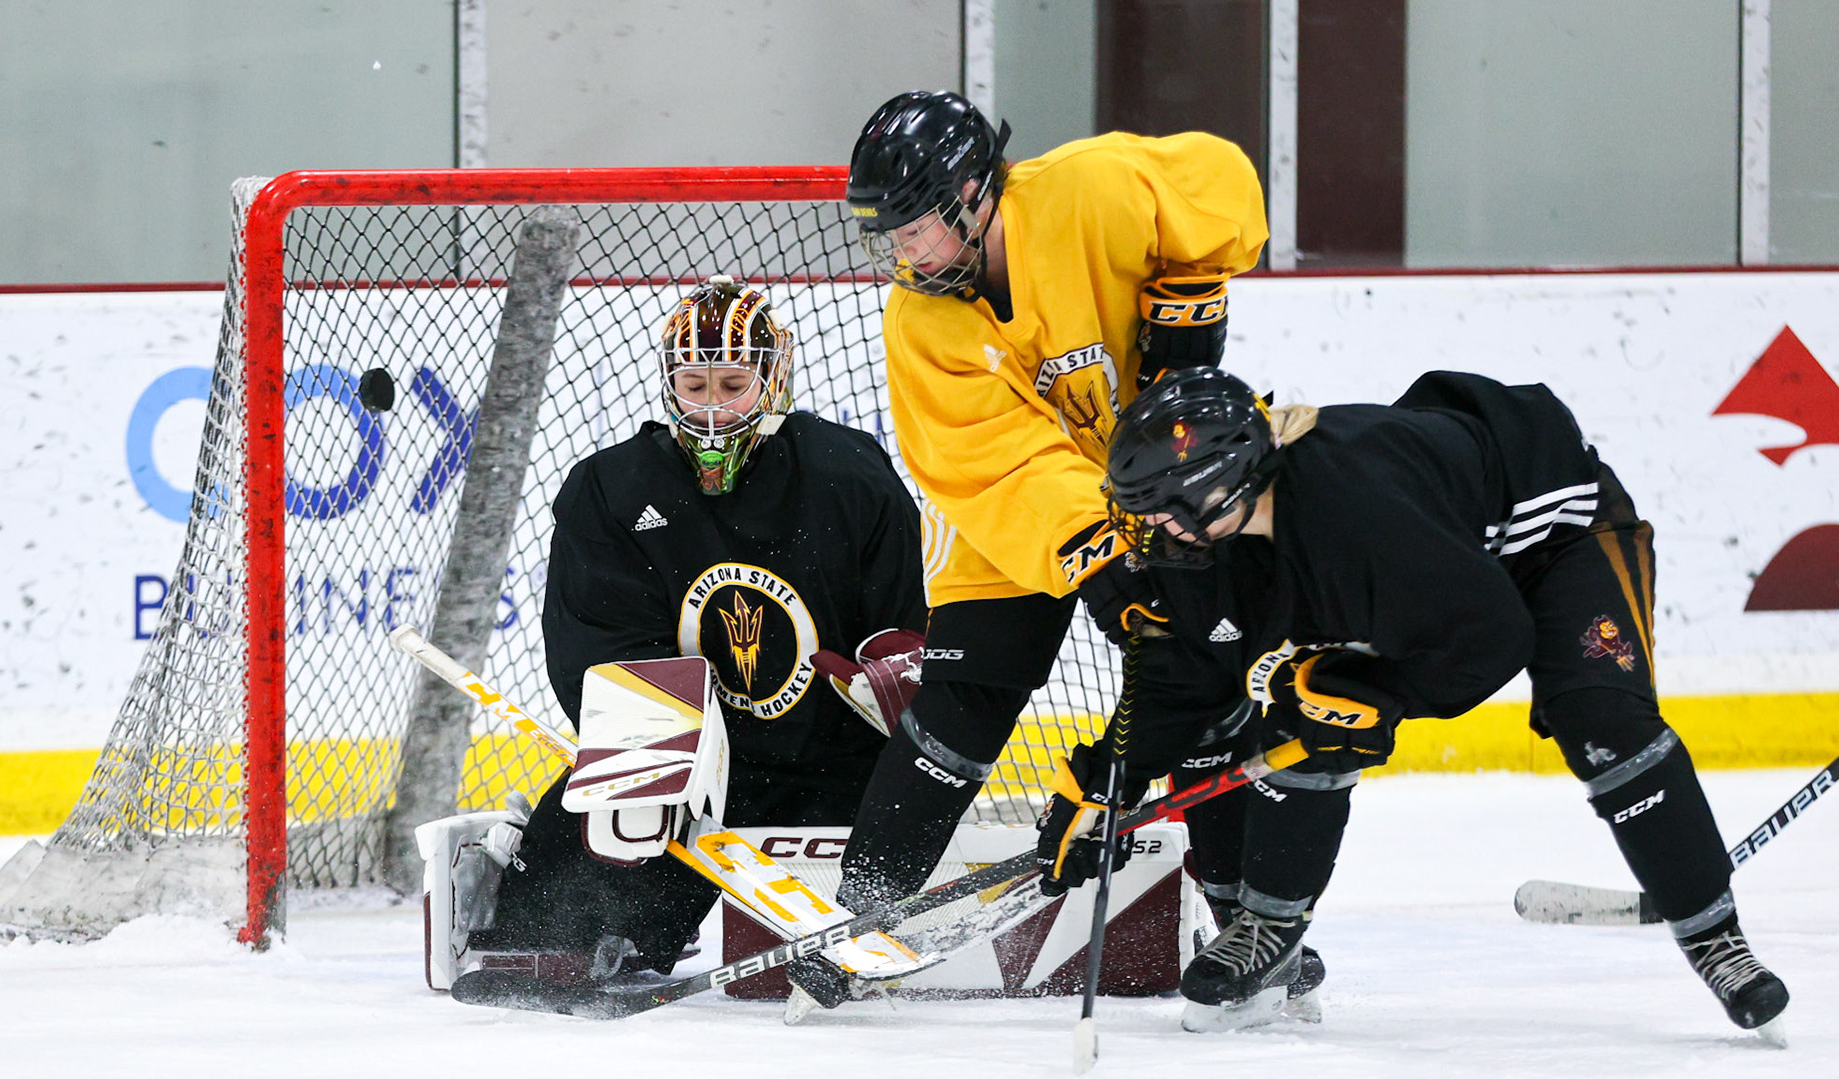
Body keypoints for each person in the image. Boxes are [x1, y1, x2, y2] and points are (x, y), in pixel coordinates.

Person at [1090, 364, 1788, 1038]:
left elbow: (1492, 638)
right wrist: (1097, 786)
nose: (1156, 529)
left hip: (1561, 540)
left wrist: (1385, 699)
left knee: (1600, 718)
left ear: (1220, 490)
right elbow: (1196, 675)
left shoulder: (1356, 515)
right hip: (1446, 555)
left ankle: (1717, 941)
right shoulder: (1247, 542)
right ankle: (1270, 928)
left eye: (1164, 509)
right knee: (1316, 705)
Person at [830, 90, 1269, 932]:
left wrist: (1191, 290)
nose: (903, 253)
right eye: (889, 235)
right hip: (1017, 513)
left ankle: (1248, 925)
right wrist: (1100, 552)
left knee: (1199, 674)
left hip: (1166, 482)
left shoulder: (1087, 189)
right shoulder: (919, 323)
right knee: (966, 692)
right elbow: (999, 466)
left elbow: (1221, 182)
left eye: (914, 228)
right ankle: (857, 917)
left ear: (971, 192)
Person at [477, 276, 927, 978]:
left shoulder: (851, 475)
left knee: (846, 941)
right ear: (669, 383)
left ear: (773, 381)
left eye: (732, 385)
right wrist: (683, 745)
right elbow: (598, 654)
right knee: (545, 944)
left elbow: (901, 622)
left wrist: (893, 676)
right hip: (688, 764)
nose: (712, 408)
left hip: (830, 757)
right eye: (694, 385)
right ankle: (547, 872)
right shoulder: (610, 490)